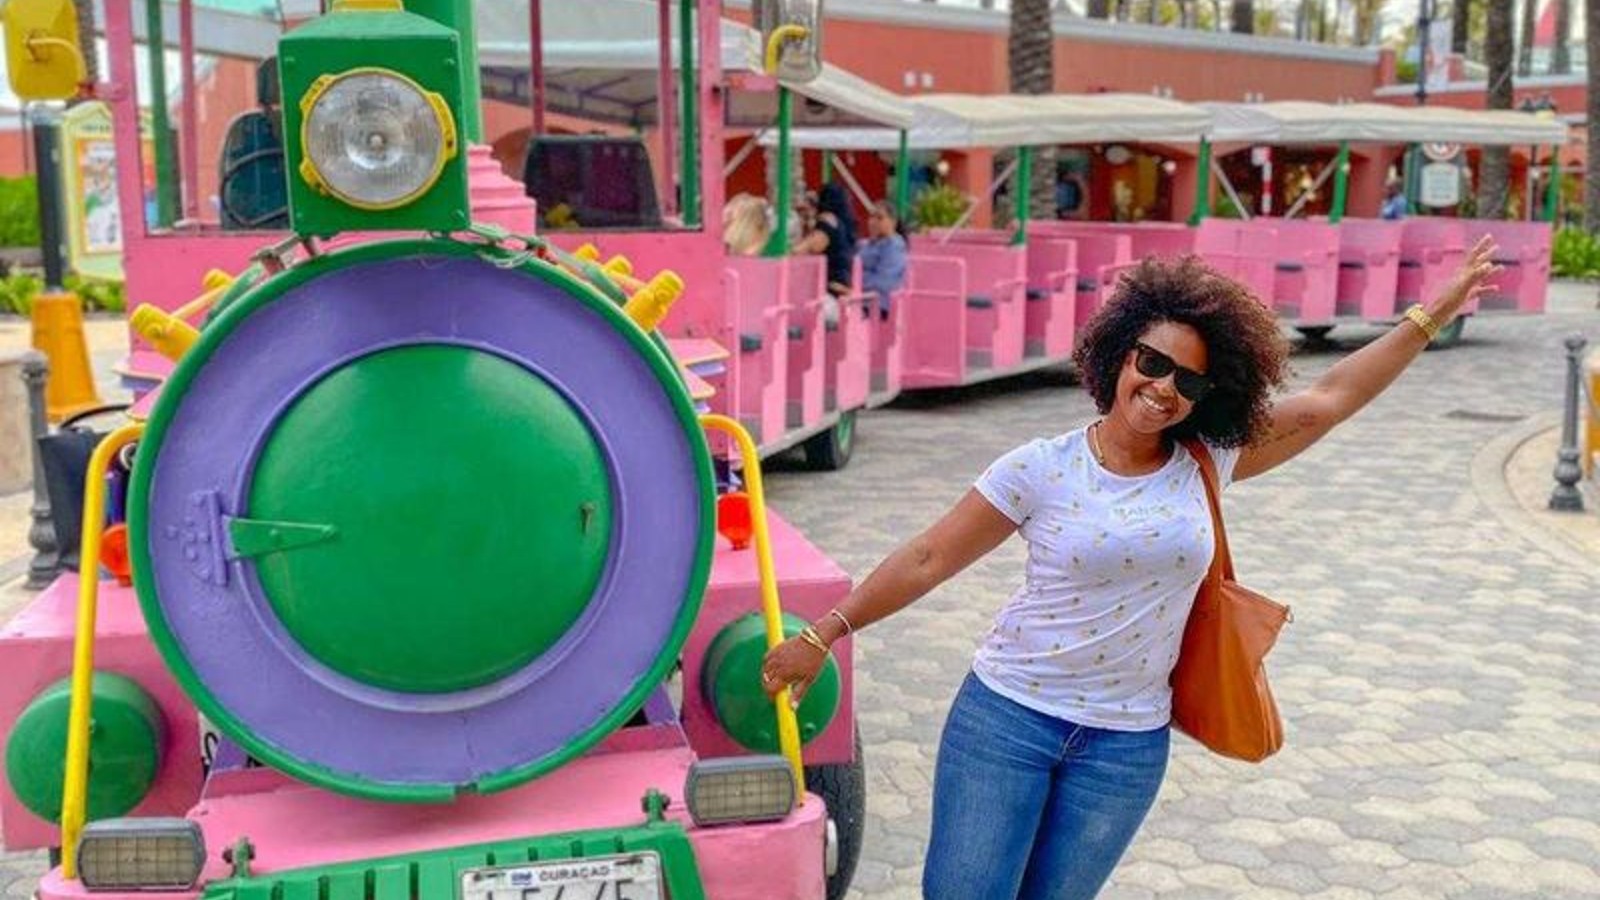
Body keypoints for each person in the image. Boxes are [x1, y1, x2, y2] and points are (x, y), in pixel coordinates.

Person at [761, 240, 1500, 900]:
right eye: (1152, 362)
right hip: (1007, 720)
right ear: (1119, 355)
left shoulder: (1209, 462)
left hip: (1124, 746)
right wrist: (824, 634)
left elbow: (1331, 399)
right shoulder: (1041, 467)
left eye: (1190, 382)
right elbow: (929, 556)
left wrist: (1429, 316)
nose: (1164, 387)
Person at [796, 182, 859, 299]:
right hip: (842, 287)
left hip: (831, 292)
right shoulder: (842, 224)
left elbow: (803, 249)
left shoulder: (827, 221)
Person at [859, 201, 908, 319]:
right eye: (871, 217)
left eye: (880, 218)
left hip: (879, 308)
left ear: (893, 222)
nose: (873, 222)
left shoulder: (895, 247)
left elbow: (884, 282)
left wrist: (856, 282)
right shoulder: (865, 244)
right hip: (859, 301)